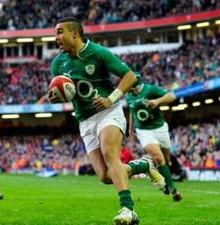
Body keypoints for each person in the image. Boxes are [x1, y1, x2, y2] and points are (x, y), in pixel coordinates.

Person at [49, 17, 165, 225]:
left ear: (75, 33)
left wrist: (110, 98)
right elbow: (62, 92)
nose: (55, 37)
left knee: (110, 155)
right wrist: (57, 97)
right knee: (105, 176)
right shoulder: (58, 63)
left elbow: (130, 76)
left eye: (60, 32)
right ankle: (143, 165)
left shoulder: (97, 52)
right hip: (84, 120)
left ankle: (128, 210)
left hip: (109, 112)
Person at [126, 77, 183, 201]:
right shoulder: (128, 96)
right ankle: (174, 190)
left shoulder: (150, 89)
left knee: (166, 160)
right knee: (158, 158)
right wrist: (131, 130)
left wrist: (158, 101)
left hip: (160, 128)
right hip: (144, 131)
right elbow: (131, 111)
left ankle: (164, 182)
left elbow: (172, 96)